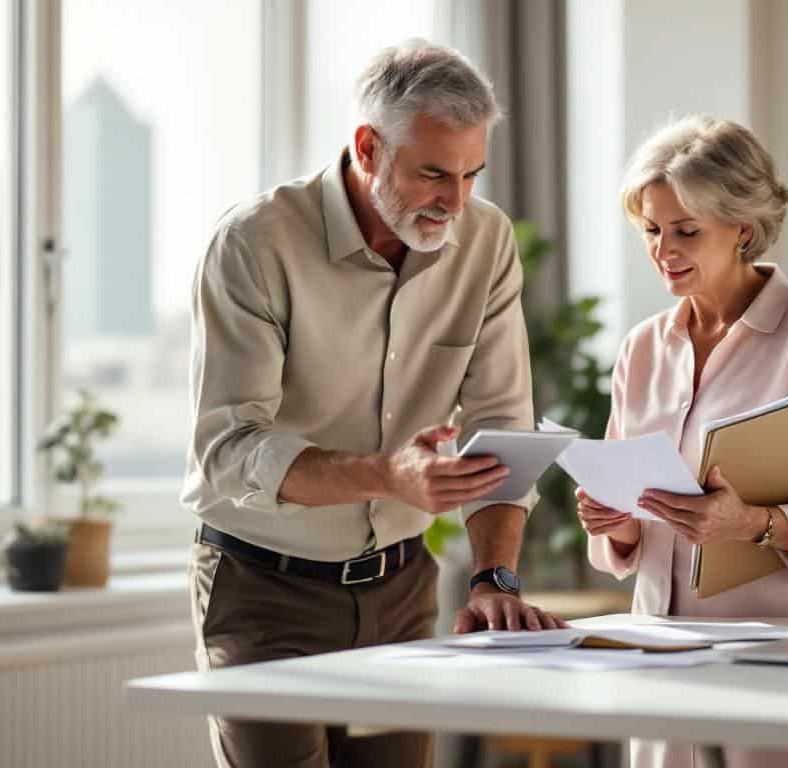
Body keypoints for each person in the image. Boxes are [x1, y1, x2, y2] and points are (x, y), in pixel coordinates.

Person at [183, 40, 564, 768]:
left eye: (470, 175)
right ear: (367, 147)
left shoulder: (484, 243)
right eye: (432, 173)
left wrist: (494, 577)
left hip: (400, 589)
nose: (454, 201)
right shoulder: (255, 245)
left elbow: (502, 429)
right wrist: (389, 475)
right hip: (265, 588)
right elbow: (229, 450)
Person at [579, 116, 788, 768]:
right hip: (662, 654)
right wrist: (613, 522)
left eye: (686, 230)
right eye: (651, 230)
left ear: (742, 228)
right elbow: (629, 536)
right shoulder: (641, 349)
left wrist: (752, 523)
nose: (664, 248)